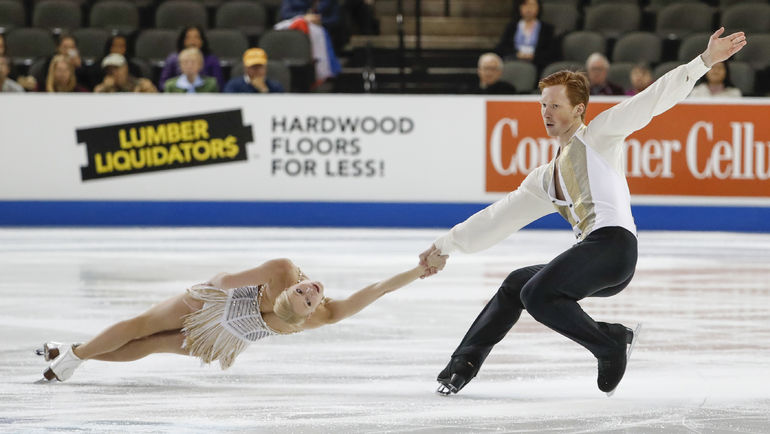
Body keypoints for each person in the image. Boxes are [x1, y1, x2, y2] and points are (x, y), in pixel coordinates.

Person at [421, 27, 746, 397]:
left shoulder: (600, 136)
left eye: (555, 105)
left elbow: (652, 99)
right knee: (517, 284)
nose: (546, 113)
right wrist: (444, 246)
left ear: (578, 110)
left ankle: (608, 345)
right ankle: (462, 364)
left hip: (614, 249)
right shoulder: (546, 179)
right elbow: (497, 218)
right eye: (543, 104)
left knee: (538, 294)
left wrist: (703, 61)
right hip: (592, 257)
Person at [38, 253, 446, 382]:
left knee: (147, 341)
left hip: (225, 330)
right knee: (145, 330)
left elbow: (376, 290)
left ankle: (73, 352)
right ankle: (70, 358)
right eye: (303, 292)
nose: (311, 290)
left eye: (306, 297)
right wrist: (417, 270)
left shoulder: (323, 311)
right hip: (219, 308)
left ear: (305, 319)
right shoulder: (293, 284)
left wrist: (417, 272)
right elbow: (226, 281)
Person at [495, 0, 555, 72]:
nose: (528, 8)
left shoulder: (547, 28)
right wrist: (517, 54)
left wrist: (533, 56)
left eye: (532, 5)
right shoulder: (512, 26)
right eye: (525, 5)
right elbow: (502, 47)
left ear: (538, 8)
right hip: (514, 60)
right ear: (519, 7)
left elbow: (550, 51)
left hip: (537, 64)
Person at [159, 26, 224, 90]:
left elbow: (219, 84)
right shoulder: (173, 59)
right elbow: (163, 84)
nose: (192, 41)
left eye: (196, 37)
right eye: (188, 37)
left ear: (202, 40)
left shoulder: (212, 60)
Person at [281, 0, 349, 52]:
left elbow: (336, 20)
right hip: (297, 34)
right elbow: (285, 14)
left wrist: (319, 21)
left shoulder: (330, 2)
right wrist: (304, 17)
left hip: (325, 33)